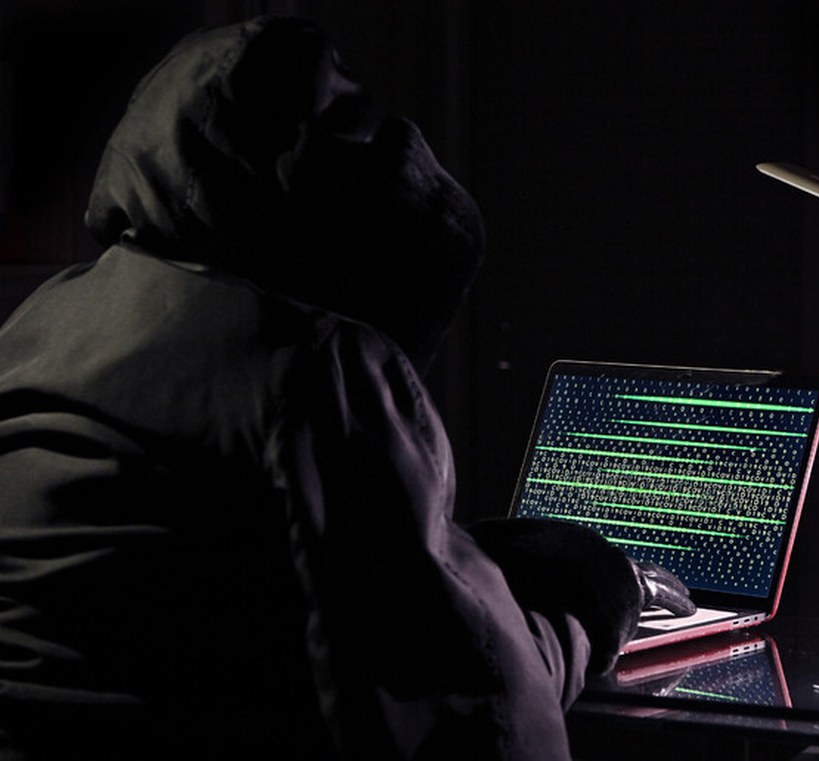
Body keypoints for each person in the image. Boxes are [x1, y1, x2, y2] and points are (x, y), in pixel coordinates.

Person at [0, 15, 693, 760]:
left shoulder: (45, 323)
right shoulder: (311, 364)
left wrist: (470, 572)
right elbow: (477, 719)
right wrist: (588, 599)